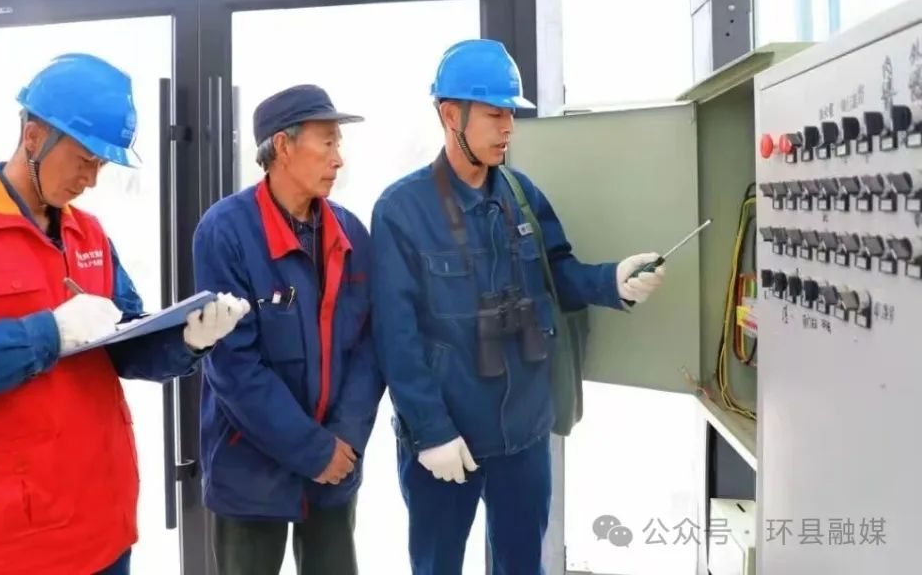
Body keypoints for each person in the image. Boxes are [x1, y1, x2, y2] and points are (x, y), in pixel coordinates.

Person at [0, 53, 250, 575]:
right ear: (34, 137)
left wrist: (188, 340)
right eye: (85, 159)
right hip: (9, 545)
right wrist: (48, 334)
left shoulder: (88, 234)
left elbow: (124, 344)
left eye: (102, 165)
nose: (91, 179)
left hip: (103, 524)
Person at [371, 39, 668, 574]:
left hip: (523, 436)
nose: (507, 126)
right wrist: (432, 431)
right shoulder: (401, 210)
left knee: (522, 565)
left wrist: (613, 282)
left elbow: (559, 275)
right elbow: (397, 338)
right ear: (450, 115)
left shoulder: (521, 194)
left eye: (511, 113)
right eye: (494, 114)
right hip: (449, 438)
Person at [192, 84, 384, 575]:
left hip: (336, 465)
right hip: (250, 473)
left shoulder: (350, 232)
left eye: (339, 143)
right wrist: (313, 451)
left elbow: (368, 347)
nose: (338, 159)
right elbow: (233, 367)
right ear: (282, 145)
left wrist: (343, 442)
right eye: (328, 142)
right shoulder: (225, 231)